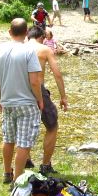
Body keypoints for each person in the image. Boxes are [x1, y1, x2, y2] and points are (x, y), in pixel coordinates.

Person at [0, 18, 44, 185]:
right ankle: (17, 180)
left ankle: (7, 172)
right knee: (24, 143)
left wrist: (1, 96)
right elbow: (34, 81)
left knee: (8, 139)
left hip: (8, 102)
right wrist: (40, 99)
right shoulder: (28, 51)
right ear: (26, 33)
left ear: (9, 31)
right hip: (26, 103)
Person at [27, 26, 68, 175]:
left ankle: (26, 159)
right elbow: (57, 74)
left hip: (21, 91)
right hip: (39, 90)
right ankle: (45, 165)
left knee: (23, 125)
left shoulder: (20, 48)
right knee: (52, 126)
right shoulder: (44, 50)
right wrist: (63, 96)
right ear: (42, 37)